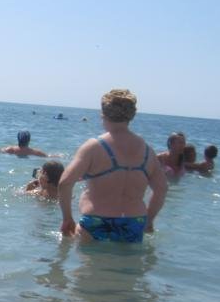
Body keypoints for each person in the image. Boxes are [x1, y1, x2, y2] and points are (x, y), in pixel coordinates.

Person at [58, 88, 168, 242]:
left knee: (89, 258)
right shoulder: (147, 151)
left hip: (96, 221)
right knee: (129, 258)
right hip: (134, 222)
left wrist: (67, 218)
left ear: (103, 114)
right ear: (132, 115)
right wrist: (149, 220)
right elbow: (162, 189)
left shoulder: (93, 147)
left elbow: (65, 183)